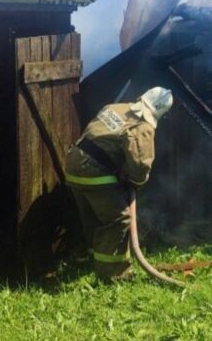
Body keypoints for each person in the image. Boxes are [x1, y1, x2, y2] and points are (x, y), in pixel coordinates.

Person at [64, 87, 173, 280]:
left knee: (94, 218)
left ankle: (91, 261)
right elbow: (139, 167)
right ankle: (113, 274)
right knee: (119, 219)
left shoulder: (115, 107)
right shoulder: (142, 127)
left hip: (74, 165)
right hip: (94, 172)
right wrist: (135, 182)